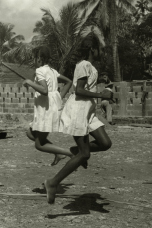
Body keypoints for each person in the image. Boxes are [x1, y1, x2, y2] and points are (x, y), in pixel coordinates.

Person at [44, 35, 113, 204]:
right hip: (78, 111)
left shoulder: (90, 67)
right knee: (85, 154)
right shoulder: (84, 65)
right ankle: (52, 183)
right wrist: (100, 94)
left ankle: (76, 151)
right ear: (92, 49)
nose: (100, 52)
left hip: (88, 111)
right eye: (99, 49)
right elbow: (79, 90)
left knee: (105, 143)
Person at [23, 46, 73, 166]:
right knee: (30, 133)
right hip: (50, 107)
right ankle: (58, 153)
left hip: (46, 110)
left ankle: (69, 153)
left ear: (39, 58)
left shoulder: (40, 70)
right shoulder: (52, 71)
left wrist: (29, 82)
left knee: (39, 144)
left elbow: (44, 90)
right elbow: (69, 82)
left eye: (35, 58)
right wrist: (58, 97)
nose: (34, 61)